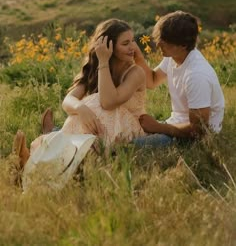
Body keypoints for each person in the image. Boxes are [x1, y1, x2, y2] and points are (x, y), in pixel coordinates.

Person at [12, 18, 147, 176]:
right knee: (85, 107)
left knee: (96, 102)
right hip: (103, 130)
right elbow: (68, 100)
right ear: (107, 46)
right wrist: (81, 109)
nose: (133, 47)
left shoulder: (135, 72)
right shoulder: (93, 71)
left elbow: (109, 102)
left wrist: (103, 61)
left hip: (128, 130)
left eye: (132, 41)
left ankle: (46, 145)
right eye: (125, 43)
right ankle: (31, 163)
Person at [132, 10, 225, 147]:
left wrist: (157, 127)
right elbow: (151, 81)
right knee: (128, 131)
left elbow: (198, 131)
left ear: (183, 45)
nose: (158, 45)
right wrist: (138, 57)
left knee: (130, 146)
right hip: (175, 124)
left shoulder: (196, 75)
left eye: (165, 42)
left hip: (192, 136)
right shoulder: (174, 57)